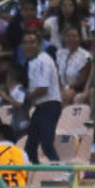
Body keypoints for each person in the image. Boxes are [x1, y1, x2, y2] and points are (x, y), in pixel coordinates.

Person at [22, 31, 61, 164]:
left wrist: (24, 98)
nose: (28, 46)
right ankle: (33, 176)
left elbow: (42, 89)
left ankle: (62, 174)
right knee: (30, 147)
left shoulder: (43, 60)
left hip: (49, 105)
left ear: (39, 44)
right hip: (40, 107)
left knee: (46, 144)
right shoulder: (32, 61)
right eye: (25, 43)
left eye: (32, 42)